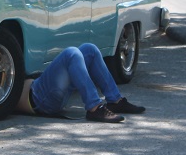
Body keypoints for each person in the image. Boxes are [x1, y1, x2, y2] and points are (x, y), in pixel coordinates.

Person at [16, 43, 145, 123]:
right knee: (71, 53)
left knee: (90, 50)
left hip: (41, 89)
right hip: (36, 98)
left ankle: (115, 101)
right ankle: (94, 107)